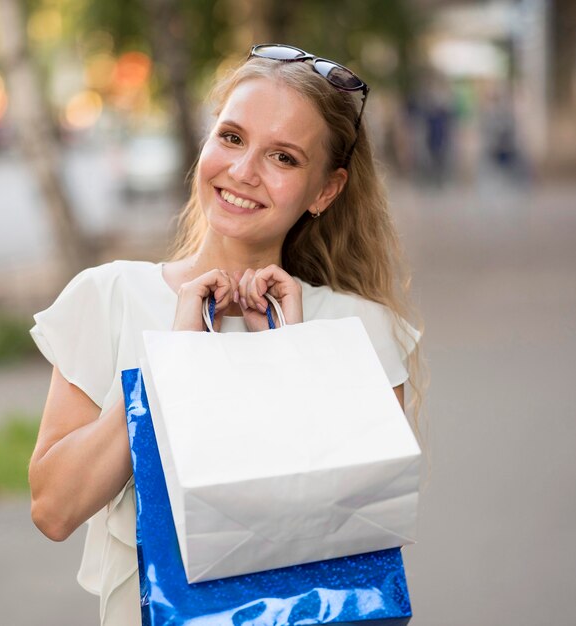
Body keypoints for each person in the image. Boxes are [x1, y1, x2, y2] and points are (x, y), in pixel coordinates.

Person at [28, 43, 425, 626]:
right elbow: (54, 510)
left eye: (284, 158)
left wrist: (294, 357)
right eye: (232, 137)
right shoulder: (109, 297)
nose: (242, 171)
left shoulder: (359, 330)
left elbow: (352, 528)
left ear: (325, 190)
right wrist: (170, 367)